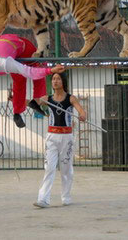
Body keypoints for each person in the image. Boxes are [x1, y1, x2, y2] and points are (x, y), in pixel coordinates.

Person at [33, 72, 86, 208]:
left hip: (67, 138)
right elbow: (33, 103)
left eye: (58, 79)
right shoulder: (47, 98)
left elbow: (81, 111)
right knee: (49, 168)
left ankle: (66, 197)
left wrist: (82, 115)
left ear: (63, 82)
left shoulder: (71, 99)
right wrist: (16, 100)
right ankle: (43, 199)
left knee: (66, 169)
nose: (55, 81)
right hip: (51, 137)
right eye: (53, 79)